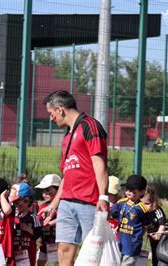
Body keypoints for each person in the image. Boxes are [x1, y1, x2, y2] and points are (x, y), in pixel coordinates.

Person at [39, 90, 109, 266]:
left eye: (51, 113)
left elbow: (99, 164)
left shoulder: (89, 125)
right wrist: (53, 205)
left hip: (89, 202)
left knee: (92, 254)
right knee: (63, 250)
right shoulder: (67, 136)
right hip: (67, 204)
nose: (51, 118)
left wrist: (103, 196)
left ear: (61, 109)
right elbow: (67, 175)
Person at [110, 175, 149, 266]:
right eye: (127, 189)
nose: (129, 192)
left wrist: (138, 236)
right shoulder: (120, 203)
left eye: (133, 190)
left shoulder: (142, 209)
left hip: (132, 247)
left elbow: (146, 226)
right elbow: (111, 215)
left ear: (142, 192)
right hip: (118, 243)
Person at [9, 182, 42, 266]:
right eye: (15, 203)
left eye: (20, 202)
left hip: (28, 252)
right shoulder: (12, 218)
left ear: (28, 201)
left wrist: (27, 228)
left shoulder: (33, 218)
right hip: (13, 252)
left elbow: (38, 234)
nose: (17, 205)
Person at [34, 174, 61, 266]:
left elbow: (65, 218)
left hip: (60, 246)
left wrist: (51, 223)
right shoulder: (43, 206)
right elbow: (38, 221)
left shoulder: (63, 206)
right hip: (44, 245)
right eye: (43, 191)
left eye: (48, 190)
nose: (44, 194)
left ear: (58, 189)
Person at [141, 184, 167, 266]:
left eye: (147, 203)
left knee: (159, 255)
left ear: (153, 201)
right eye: (143, 204)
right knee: (154, 253)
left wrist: (159, 234)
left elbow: (162, 224)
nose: (145, 206)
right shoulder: (143, 211)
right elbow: (144, 225)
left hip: (161, 235)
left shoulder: (157, 210)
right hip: (152, 236)